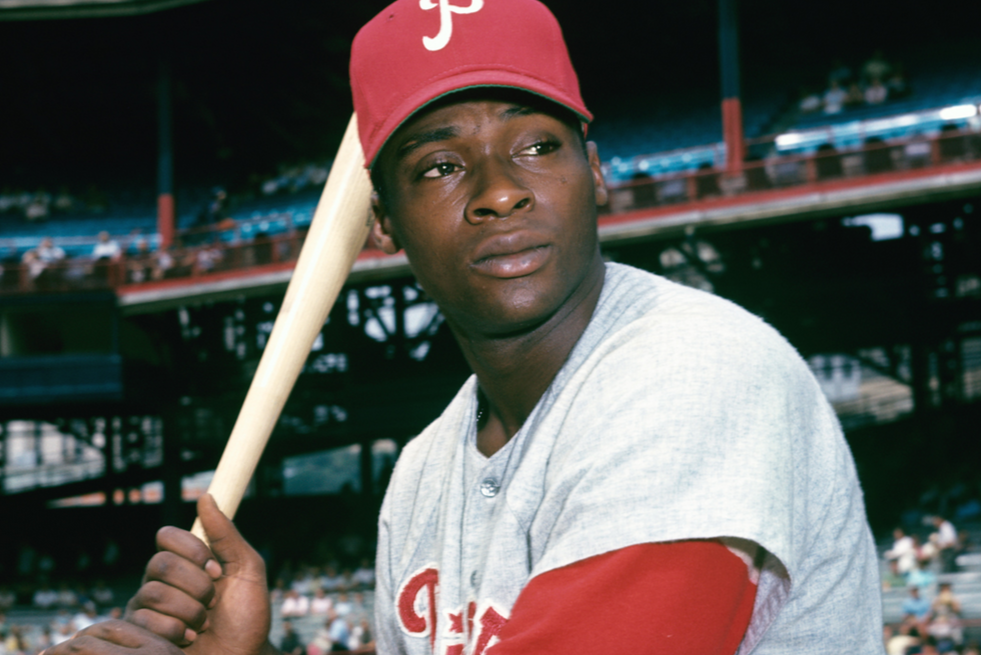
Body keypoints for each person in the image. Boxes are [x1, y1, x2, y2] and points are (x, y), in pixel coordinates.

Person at [46, 1, 881, 654]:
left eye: (535, 146)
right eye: (441, 165)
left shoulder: (700, 371)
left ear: (594, 173)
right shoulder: (421, 474)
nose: (498, 191)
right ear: (383, 224)